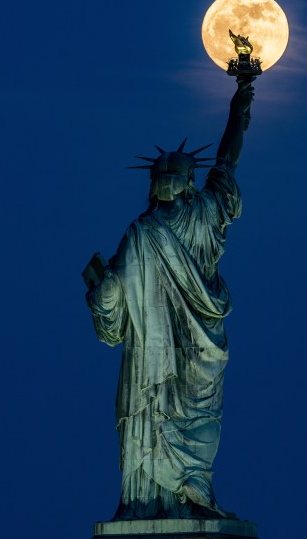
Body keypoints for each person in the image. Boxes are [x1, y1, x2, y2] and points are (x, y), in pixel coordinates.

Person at [86, 79, 254, 520]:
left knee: (186, 417)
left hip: (177, 355)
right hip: (184, 352)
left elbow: (111, 309)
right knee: (191, 417)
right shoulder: (163, 228)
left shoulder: (147, 231)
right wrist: (239, 106)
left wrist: (103, 292)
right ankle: (164, 499)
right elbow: (228, 160)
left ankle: (184, 494)